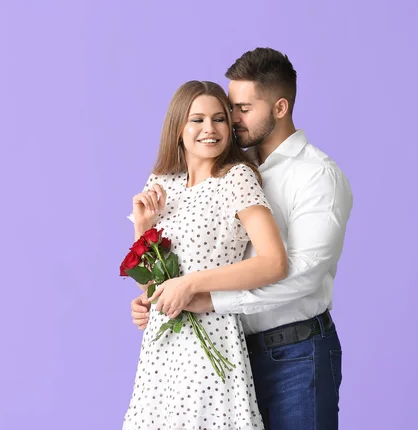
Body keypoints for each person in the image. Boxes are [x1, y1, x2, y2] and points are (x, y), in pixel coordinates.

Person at [131, 47, 354, 430]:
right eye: (229, 108)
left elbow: (301, 275)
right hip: (232, 351)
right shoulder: (235, 169)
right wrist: (160, 295)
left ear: (280, 108)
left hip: (295, 354)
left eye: (241, 110)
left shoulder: (317, 176)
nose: (230, 121)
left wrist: (203, 297)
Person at [122, 80, 288, 429]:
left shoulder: (237, 178)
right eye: (197, 119)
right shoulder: (160, 182)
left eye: (219, 119)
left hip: (211, 344)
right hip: (160, 351)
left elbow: (274, 262)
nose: (209, 129)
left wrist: (191, 285)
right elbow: (157, 284)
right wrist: (143, 229)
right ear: (178, 127)